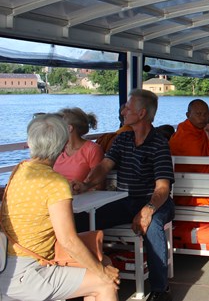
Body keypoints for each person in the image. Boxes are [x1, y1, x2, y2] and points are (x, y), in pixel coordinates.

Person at [0, 114, 120, 301]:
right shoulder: (55, 183)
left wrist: (102, 267)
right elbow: (68, 240)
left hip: (7, 264)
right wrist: (103, 273)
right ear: (64, 145)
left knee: (103, 261)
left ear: (30, 143)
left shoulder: (19, 170)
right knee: (104, 283)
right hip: (29, 272)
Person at [73, 89, 175, 301]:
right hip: (126, 200)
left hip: (157, 201)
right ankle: (82, 276)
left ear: (141, 113)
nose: (123, 110)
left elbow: (163, 188)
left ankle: (160, 289)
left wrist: (148, 210)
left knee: (153, 225)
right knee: (78, 221)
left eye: (128, 107)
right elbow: (104, 166)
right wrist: (86, 184)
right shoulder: (123, 139)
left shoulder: (159, 144)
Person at [53, 107, 104, 184]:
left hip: (83, 195)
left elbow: (98, 185)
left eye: (58, 126)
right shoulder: (57, 148)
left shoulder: (92, 150)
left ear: (69, 128)